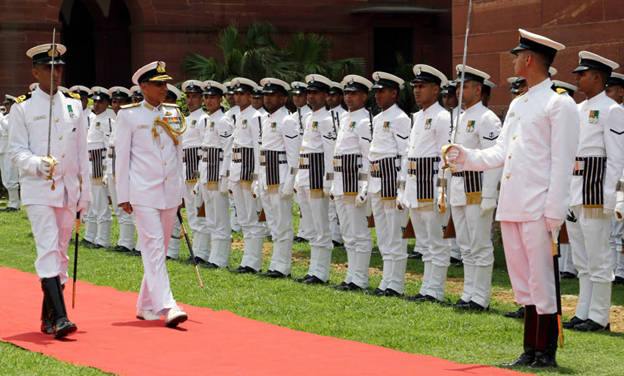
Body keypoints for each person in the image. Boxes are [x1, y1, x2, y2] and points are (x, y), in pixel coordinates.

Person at [446, 29, 579, 368]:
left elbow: (563, 162)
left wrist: (554, 211)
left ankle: (545, 352)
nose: (515, 60)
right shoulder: (520, 103)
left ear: (530, 59)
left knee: (541, 280)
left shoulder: (559, 102)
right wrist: (464, 156)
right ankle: (529, 349)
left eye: (518, 55)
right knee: (523, 281)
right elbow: (500, 152)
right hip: (514, 204)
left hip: (539, 207)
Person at [9, 43, 90, 338]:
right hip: (39, 189)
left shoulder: (74, 105)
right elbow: (15, 151)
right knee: (47, 248)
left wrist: (85, 192)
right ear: (35, 72)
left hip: (68, 190)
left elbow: (82, 153)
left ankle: (47, 318)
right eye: (48, 68)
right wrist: (36, 163)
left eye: (59, 68)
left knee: (61, 253)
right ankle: (60, 317)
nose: (55, 73)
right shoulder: (23, 107)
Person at [115, 61, 187, 327]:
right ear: (143, 87)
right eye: (158, 84)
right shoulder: (129, 115)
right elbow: (121, 158)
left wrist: (180, 192)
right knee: (154, 248)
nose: (163, 88)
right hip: (142, 191)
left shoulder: (174, 112)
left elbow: (179, 155)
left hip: (169, 192)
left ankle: (144, 305)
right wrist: (123, 194)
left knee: (161, 248)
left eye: (165, 84)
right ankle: (167, 306)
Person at [564, 51, 624, 332]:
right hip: (576, 187)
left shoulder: (612, 110)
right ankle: (583, 312)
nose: (577, 78)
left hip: (595, 189)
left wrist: (611, 198)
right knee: (581, 258)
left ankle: (599, 317)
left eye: (582, 74)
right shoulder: (578, 109)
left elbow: (616, 158)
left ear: (598, 77)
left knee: (598, 257)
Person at [448, 65, 502, 311]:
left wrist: (490, 194)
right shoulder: (459, 116)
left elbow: (494, 158)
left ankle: (481, 297)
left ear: (478, 89)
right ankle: (468, 293)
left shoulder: (486, 117)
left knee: (480, 244)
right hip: (459, 187)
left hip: (477, 188)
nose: (459, 90)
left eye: (465, 86)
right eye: (458, 85)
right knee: (465, 245)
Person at [400, 65, 450, 302]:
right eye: (415, 87)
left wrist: (441, 188)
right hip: (414, 182)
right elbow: (408, 154)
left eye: (422, 87)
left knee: (436, 240)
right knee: (424, 241)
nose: (417, 91)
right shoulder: (417, 117)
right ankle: (426, 289)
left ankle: (436, 291)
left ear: (435, 89)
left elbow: (444, 156)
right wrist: (403, 188)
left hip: (430, 182)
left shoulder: (442, 116)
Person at [365, 72, 410, 296]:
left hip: (392, 177)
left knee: (395, 233)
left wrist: (402, 187)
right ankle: (386, 280)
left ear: (394, 93)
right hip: (376, 178)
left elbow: (404, 155)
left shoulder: (401, 119)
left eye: (382, 91)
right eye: (376, 91)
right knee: (382, 234)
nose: (377, 95)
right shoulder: (377, 118)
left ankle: (396, 284)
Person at [330, 74, 373, 290]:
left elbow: (367, 156)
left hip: (354, 181)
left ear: (364, 96)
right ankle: (351, 276)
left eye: (354, 93)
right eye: (346, 93)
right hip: (340, 181)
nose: (349, 97)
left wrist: (365, 186)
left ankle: (361, 279)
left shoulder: (365, 121)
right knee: (347, 233)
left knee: (359, 233)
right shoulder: (345, 119)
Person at [294, 74, 335, 284]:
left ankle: (322, 272)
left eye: (316, 93)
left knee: (321, 225)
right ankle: (313, 269)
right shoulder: (309, 118)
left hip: (318, 175)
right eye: (309, 93)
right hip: (305, 174)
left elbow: (329, 152)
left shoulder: (327, 120)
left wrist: (329, 180)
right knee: (310, 225)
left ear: (326, 95)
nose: (311, 97)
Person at [257, 78, 300, 278]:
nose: (267, 98)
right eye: (266, 95)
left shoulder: (288, 120)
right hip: (267, 174)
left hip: (281, 174)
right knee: (273, 224)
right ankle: (275, 264)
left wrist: (290, 183)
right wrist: (259, 181)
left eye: (272, 95)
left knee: (283, 224)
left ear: (283, 98)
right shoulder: (266, 119)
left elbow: (293, 155)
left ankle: (283, 267)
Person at [229, 77, 265, 273]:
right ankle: (247, 260)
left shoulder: (256, 116)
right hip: (237, 170)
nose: (238, 97)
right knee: (243, 218)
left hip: (249, 171)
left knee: (252, 217)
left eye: (242, 93)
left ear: (251, 96)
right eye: (236, 93)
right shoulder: (239, 115)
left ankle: (253, 262)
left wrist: (258, 178)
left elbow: (259, 147)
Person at [198, 80, 233, 269]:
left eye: (213, 97)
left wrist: (225, 177)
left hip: (217, 173)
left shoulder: (223, 120)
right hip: (206, 173)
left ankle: (221, 259)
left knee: (220, 217)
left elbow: (228, 151)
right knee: (211, 217)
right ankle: (214, 256)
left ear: (221, 99)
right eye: (207, 97)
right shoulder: (209, 120)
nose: (209, 101)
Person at [178, 80, 210, 263]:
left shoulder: (204, 119)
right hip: (185, 167)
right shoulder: (186, 119)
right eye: (188, 97)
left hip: (196, 167)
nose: (190, 101)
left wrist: (200, 174)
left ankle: (202, 252)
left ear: (201, 99)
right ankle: (195, 250)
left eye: (195, 97)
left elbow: (205, 148)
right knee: (190, 211)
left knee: (199, 211)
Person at [105, 86, 138, 254]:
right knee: (119, 208)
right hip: (113, 168)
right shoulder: (114, 120)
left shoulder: (130, 119)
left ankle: (134, 243)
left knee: (133, 208)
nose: (117, 105)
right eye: (114, 102)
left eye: (121, 102)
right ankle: (124, 241)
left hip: (127, 171)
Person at [85, 86, 114, 249]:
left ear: (107, 104)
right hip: (90, 165)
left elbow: (108, 147)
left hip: (99, 166)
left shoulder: (108, 121)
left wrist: (104, 171)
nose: (96, 105)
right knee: (92, 203)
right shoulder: (94, 119)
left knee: (101, 203)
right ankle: (92, 235)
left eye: (100, 102)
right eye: (94, 101)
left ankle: (103, 239)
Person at [290, 81, 314, 244]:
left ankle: (307, 230)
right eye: (295, 95)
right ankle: (303, 229)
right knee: (299, 198)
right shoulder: (293, 116)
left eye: (300, 95)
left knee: (307, 199)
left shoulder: (309, 115)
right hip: (296, 161)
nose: (297, 98)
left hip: (307, 162)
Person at [327, 81, 346, 247]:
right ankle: (333, 233)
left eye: (333, 95)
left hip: (341, 162)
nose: (330, 98)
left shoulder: (344, 115)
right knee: (330, 201)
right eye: (329, 95)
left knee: (338, 201)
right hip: (329, 160)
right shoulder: (326, 115)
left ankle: (338, 235)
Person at [224, 81, 242, 234]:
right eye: (228, 94)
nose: (230, 97)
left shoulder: (241, 112)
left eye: (233, 94)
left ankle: (239, 223)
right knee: (232, 193)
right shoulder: (226, 114)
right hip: (229, 155)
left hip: (240, 156)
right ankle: (235, 223)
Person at [0, 94, 20, 211]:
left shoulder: (15, 116)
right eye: (6, 104)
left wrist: (1, 118)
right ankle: (11, 203)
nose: (6, 106)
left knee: (11, 175)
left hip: (11, 148)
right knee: (6, 176)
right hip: (3, 148)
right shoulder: (6, 117)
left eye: (8, 104)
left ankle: (14, 204)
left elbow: (9, 128)